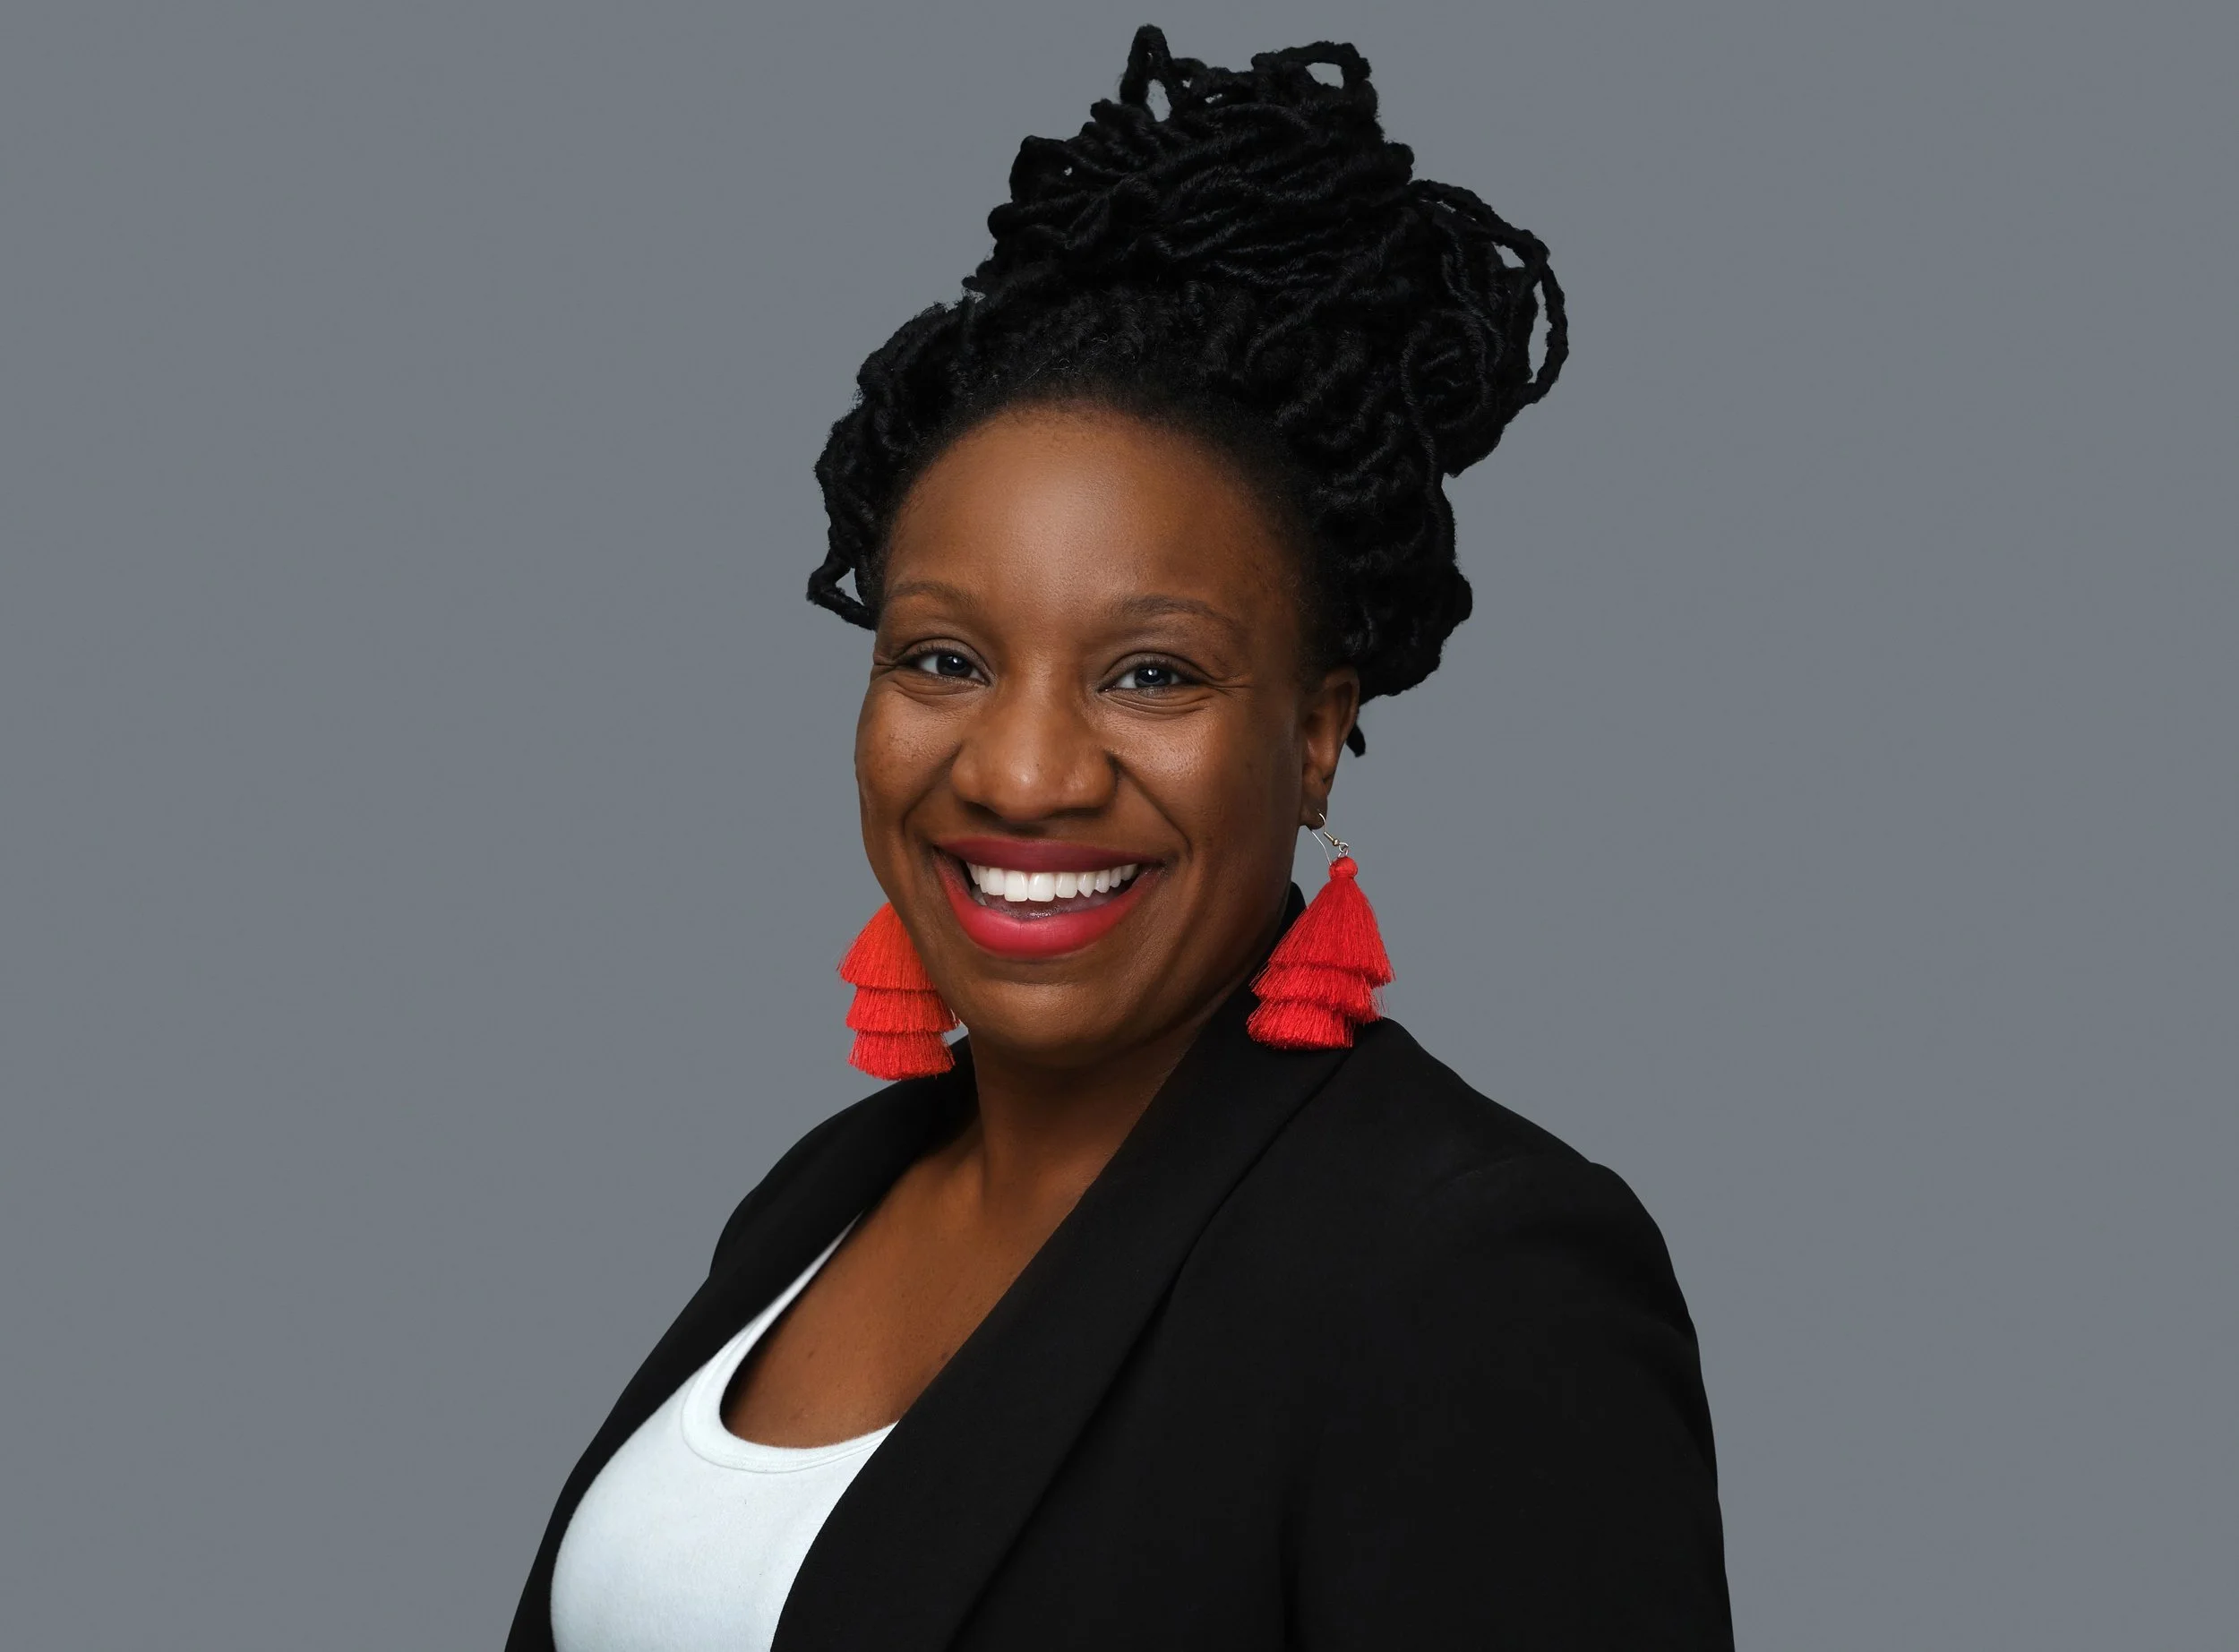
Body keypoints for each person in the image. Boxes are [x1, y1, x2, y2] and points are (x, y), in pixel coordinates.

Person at [508, 26, 1731, 1650]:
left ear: (1314, 739)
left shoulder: (1469, 1274)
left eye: (1151, 674)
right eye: (945, 659)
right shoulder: (821, 1198)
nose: (1021, 775)